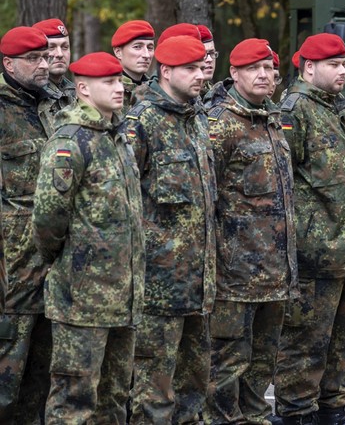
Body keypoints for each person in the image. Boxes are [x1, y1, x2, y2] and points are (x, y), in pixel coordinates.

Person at [31, 52, 145, 423]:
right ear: (82, 88)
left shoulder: (118, 136)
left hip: (123, 295)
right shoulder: (71, 141)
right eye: (108, 82)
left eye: (119, 81)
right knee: (74, 399)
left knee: (115, 398)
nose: (119, 87)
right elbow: (48, 220)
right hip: (82, 296)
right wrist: (70, 263)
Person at [274, 32, 345, 425]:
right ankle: (298, 411)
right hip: (317, 253)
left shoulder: (339, 107)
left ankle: (333, 406)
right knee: (306, 343)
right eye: (333, 65)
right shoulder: (295, 110)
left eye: (344, 64)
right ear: (309, 68)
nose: (342, 71)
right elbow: (284, 181)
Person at [125, 33, 217, 423]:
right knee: (153, 389)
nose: (200, 76)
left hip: (199, 282)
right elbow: (126, 201)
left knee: (194, 384)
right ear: (166, 71)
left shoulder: (196, 118)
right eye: (190, 69)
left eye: (201, 68)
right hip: (159, 282)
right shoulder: (141, 122)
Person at [205, 38, 296, 424]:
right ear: (235, 74)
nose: (264, 75)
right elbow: (206, 199)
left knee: (264, 353)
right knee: (229, 353)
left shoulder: (274, 120)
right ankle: (225, 417)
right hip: (235, 268)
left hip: (276, 267)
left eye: (269, 69)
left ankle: (255, 411)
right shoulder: (221, 125)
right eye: (254, 69)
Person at [0, 27, 54, 423]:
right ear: (8, 64)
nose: (43, 64)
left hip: (52, 257)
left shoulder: (54, 106)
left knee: (44, 365)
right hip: (10, 265)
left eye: (45, 57)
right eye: (33, 59)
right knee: (8, 363)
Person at [32, 18, 76, 114]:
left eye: (65, 47)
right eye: (51, 47)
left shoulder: (77, 93)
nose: (60, 54)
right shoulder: (29, 94)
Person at [111, 20, 155, 112]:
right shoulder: (106, 92)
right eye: (137, 47)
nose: (146, 55)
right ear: (118, 52)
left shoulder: (156, 91)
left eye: (150, 48)